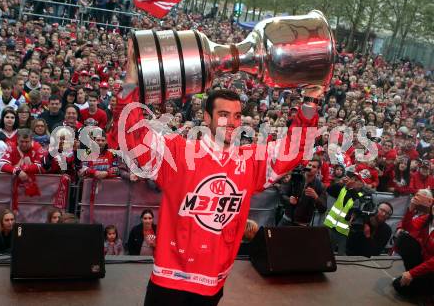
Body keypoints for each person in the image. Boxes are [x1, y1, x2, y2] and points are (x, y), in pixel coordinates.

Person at [122, 88, 319, 305]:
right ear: (207, 118)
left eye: (237, 116)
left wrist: (310, 100)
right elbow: (133, 135)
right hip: (169, 279)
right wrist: (130, 84)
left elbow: (295, 147)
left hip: (212, 284)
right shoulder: (179, 152)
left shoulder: (250, 161)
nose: (233, 122)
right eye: (223, 115)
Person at [393, 189, 434, 297]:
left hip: (431, 268)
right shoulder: (426, 219)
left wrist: (412, 273)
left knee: (400, 286)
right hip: (423, 262)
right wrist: (410, 208)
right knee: (405, 239)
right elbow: (408, 227)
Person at [324, 168, 367, 255]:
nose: (352, 181)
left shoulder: (362, 196)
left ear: (361, 184)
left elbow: (358, 204)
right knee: (326, 253)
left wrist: (350, 188)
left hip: (344, 232)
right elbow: (329, 190)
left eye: (356, 180)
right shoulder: (344, 189)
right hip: (330, 225)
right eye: (352, 179)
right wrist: (339, 183)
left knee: (342, 256)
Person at [277, 157, 327, 226]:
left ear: (318, 170)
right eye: (309, 165)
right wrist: (289, 200)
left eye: (314, 167)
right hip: (287, 219)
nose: (310, 168)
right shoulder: (295, 178)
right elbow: (282, 194)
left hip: (302, 224)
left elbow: (323, 209)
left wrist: (316, 197)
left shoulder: (320, 186)